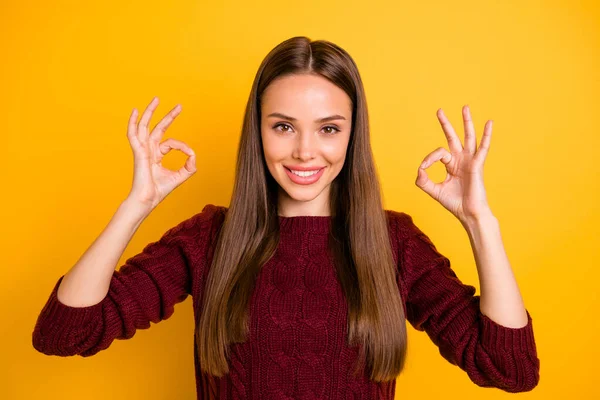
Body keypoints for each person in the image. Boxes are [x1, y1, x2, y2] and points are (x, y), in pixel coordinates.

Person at [32, 36, 540, 399]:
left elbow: (509, 369)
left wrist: (479, 221)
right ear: (258, 132)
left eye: (327, 129)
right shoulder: (210, 238)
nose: (304, 151)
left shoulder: (393, 242)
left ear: (351, 136)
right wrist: (135, 206)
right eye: (282, 127)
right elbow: (63, 333)